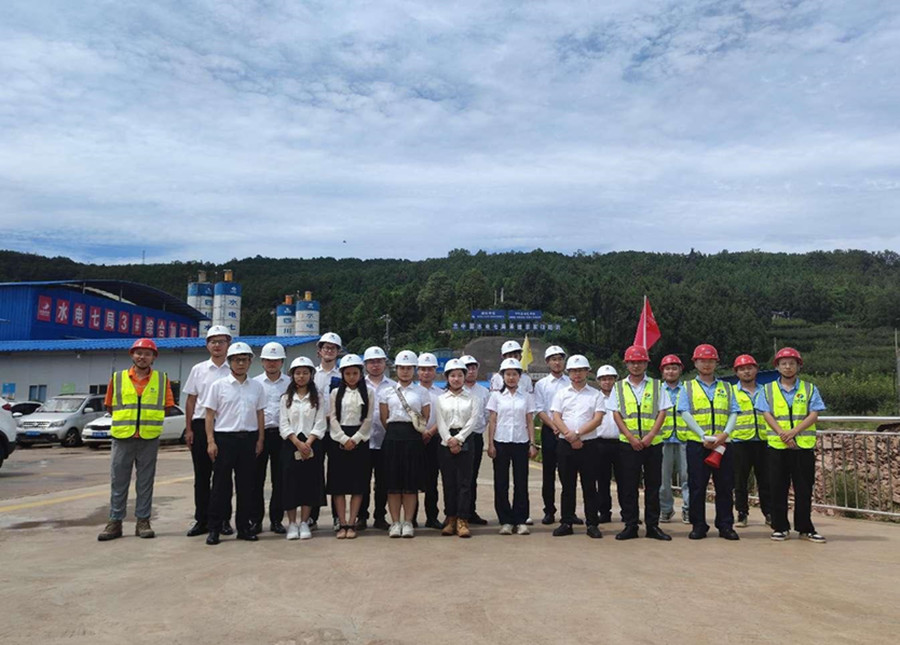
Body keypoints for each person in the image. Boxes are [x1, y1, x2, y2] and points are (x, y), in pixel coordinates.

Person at [97, 338, 177, 541]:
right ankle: (115, 522)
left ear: (154, 358)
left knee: (145, 482)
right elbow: (110, 405)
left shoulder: (162, 379)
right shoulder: (118, 378)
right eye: (139, 353)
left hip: (148, 438)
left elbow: (167, 407)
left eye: (147, 354)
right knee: (118, 481)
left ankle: (143, 521)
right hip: (123, 437)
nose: (142, 357)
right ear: (132, 355)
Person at [757, 348, 826, 543]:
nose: (788, 367)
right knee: (777, 488)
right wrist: (782, 433)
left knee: (804, 489)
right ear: (777, 367)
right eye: (784, 363)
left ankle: (805, 528)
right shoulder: (767, 389)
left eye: (792, 363)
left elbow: (814, 414)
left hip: (802, 446)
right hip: (777, 447)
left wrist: (793, 432)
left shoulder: (809, 389)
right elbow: (766, 414)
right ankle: (780, 527)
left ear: (798, 366)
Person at [201, 342, 266, 545]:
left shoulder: (257, 387)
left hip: (249, 439)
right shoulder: (218, 386)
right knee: (220, 486)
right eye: (237, 360)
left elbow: (260, 414)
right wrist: (210, 441)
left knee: (247, 486)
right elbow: (209, 415)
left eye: (244, 360)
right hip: (224, 439)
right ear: (229, 362)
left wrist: (260, 439)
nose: (240, 364)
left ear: (250, 362)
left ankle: (244, 528)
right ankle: (215, 528)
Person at [608, 346, 672, 541]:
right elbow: (616, 414)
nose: (636, 366)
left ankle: (653, 526)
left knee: (653, 486)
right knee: (629, 486)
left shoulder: (657, 385)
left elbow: (663, 411)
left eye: (640, 362)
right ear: (626, 364)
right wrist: (630, 437)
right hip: (628, 444)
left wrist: (651, 435)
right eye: (632, 362)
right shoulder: (618, 387)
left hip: (653, 444)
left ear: (646, 364)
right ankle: (631, 525)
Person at [678, 344, 741, 541]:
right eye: (702, 360)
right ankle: (698, 525)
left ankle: (725, 525)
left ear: (716, 363)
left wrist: (725, 434)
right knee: (697, 486)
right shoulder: (687, 387)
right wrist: (702, 435)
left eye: (711, 361)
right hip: (698, 444)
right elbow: (684, 412)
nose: (707, 364)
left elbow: (734, 412)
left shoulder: (727, 387)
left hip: (723, 444)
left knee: (725, 486)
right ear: (695, 363)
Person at [182, 325, 233, 537]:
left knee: (224, 477)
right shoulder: (198, 369)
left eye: (221, 341)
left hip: (225, 426)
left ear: (228, 344)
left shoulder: (234, 368)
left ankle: (224, 520)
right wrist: (189, 429)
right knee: (202, 476)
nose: (217, 345)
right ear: (207, 345)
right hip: (201, 425)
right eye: (213, 341)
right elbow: (191, 400)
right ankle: (201, 520)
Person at [550, 355, 605, 539]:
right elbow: (556, 416)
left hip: (589, 444)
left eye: (581, 370)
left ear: (587, 372)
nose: (577, 374)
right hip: (565, 444)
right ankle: (566, 522)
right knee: (567, 486)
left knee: (589, 486)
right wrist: (569, 435)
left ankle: (592, 524)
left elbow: (597, 419)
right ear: (569, 372)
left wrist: (578, 434)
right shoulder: (561, 394)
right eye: (573, 371)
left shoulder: (596, 394)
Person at [379, 350, 431, 538]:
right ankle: (395, 522)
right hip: (392, 438)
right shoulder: (387, 391)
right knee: (393, 485)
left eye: (409, 368)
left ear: (414, 369)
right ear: (396, 369)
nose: (405, 371)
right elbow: (384, 418)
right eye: (402, 368)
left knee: (410, 484)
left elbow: (425, 416)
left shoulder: (422, 392)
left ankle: (408, 522)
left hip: (413, 439)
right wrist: (396, 431)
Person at [486, 358, 537, 535]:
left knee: (521, 482)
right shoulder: (496, 396)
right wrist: (490, 444)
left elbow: (529, 421)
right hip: (501, 442)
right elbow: (492, 420)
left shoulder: (526, 397)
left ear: (520, 376)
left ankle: (520, 520)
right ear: (502, 376)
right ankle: (505, 520)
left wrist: (532, 443)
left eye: (514, 374)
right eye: (508, 374)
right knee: (501, 483)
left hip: (521, 442)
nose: (511, 377)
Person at [279, 356, 328, 540]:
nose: (301, 376)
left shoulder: (318, 397)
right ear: (292, 375)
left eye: (305, 373)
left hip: (312, 444)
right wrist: (297, 442)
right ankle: (292, 523)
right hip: (291, 444)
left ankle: (304, 522)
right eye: (298, 373)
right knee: (290, 484)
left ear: (311, 375)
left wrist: (308, 442)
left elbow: (320, 422)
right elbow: (283, 423)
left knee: (309, 483)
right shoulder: (286, 398)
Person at [327, 354, 374, 539]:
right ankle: (342, 523)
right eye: (348, 373)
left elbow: (369, 418)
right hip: (339, 440)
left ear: (361, 374)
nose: (352, 377)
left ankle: (352, 522)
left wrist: (355, 438)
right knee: (338, 485)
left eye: (355, 373)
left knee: (357, 485)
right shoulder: (335, 393)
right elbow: (333, 417)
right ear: (342, 374)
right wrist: (343, 438)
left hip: (359, 440)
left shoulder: (369, 392)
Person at [436, 359, 482, 538]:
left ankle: (463, 519)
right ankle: (451, 518)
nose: (456, 379)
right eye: (452, 375)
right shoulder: (440, 399)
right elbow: (440, 421)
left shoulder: (473, 398)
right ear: (447, 378)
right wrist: (449, 439)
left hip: (466, 439)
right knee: (448, 482)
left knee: (465, 482)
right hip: (445, 441)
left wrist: (459, 439)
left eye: (460, 375)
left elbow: (473, 421)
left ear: (464, 377)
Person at [251, 341, 290, 535]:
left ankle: (276, 519)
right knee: (256, 480)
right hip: (260, 435)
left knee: (280, 480)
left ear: (282, 361)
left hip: (283, 436)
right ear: (262, 361)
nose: (272, 363)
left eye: (276, 360)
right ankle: (256, 520)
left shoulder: (289, 383)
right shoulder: (254, 383)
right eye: (268, 360)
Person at [730, 354, 771, 528]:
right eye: (742, 369)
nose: (746, 371)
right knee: (740, 480)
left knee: (766, 480)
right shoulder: (731, 392)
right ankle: (742, 513)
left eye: (749, 368)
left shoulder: (767, 391)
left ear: (756, 370)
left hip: (763, 440)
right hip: (740, 440)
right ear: (736, 372)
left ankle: (769, 513)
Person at [533, 345, 572, 526]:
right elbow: (539, 409)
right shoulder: (542, 384)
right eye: (553, 359)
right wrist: (554, 426)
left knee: (568, 473)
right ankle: (549, 511)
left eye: (560, 359)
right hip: (550, 431)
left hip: (568, 431)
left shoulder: (570, 382)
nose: (557, 363)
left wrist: (563, 428)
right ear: (547, 362)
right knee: (548, 474)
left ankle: (569, 512)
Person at [361, 346, 395, 530]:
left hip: (385, 441)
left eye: (379, 361)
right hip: (363, 441)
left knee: (383, 482)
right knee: (362, 481)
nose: (375, 365)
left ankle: (380, 516)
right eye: (371, 362)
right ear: (365, 365)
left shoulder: (393, 386)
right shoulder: (358, 385)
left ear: (384, 363)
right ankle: (361, 516)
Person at [311, 331, 342, 531]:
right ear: (319, 351)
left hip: (336, 431)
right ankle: (312, 517)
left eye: (333, 348)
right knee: (314, 474)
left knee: (336, 474)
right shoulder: (311, 374)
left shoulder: (343, 375)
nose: (329, 351)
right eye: (325, 348)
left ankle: (337, 517)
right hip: (315, 432)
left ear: (338, 352)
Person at [658, 354, 690, 525]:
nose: (670, 371)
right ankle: (665, 509)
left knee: (687, 477)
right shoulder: (656, 390)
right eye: (667, 368)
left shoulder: (687, 390)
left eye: (674, 368)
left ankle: (688, 509)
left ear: (680, 370)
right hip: (663, 439)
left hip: (685, 438)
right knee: (663, 480)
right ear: (662, 371)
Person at [460, 355, 491, 525]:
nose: (471, 371)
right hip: (457, 437)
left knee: (472, 476)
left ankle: (470, 512)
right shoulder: (455, 390)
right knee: (457, 477)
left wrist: (478, 429)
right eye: (467, 368)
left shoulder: (484, 392)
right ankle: (455, 513)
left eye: (473, 368)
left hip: (476, 437)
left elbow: (486, 415)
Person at [416, 352, 444, 530]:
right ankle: (410, 517)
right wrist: (420, 432)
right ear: (417, 371)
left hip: (434, 438)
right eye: (423, 369)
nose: (426, 373)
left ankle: (432, 517)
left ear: (435, 371)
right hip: (414, 439)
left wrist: (430, 432)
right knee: (412, 480)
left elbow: (443, 417)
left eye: (430, 369)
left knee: (432, 480)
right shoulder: (410, 392)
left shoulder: (441, 394)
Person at [593, 365, 621, 524]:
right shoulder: (595, 398)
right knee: (602, 481)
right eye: (603, 379)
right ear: (598, 381)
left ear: (615, 380)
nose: (607, 382)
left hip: (621, 442)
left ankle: (628, 512)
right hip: (600, 443)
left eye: (610, 379)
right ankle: (604, 512)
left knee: (625, 480)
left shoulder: (621, 397)